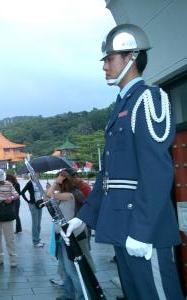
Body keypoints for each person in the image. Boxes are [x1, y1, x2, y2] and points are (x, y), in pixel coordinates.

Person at [65, 23, 183, 299]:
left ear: (131, 56)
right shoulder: (121, 106)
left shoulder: (148, 100)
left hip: (145, 231)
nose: (104, 66)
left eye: (109, 58)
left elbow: (156, 173)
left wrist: (142, 231)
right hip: (122, 228)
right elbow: (108, 177)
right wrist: (84, 218)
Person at [47, 171, 94, 300]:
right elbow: (48, 196)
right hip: (63, 237)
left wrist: (56, 182)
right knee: (66, 269)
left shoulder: (69, 195)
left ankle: (83, 296)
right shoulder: (66, 195)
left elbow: (49, 194)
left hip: (71, 237)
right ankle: (68, 295)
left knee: (71, 270)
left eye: (59, 183)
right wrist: (56, 183)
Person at [20, 177, 44, 247]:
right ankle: (35, 241)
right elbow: (22, 192)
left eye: (38, 173)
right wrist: (28, 201)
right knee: (35, 224)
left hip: (40, 204)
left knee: (38, 224)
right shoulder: (30, 183)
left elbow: (41, 193)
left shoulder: (38, 182)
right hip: (33, 205)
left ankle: (38, 239)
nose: (37, 174)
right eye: (35, 173)